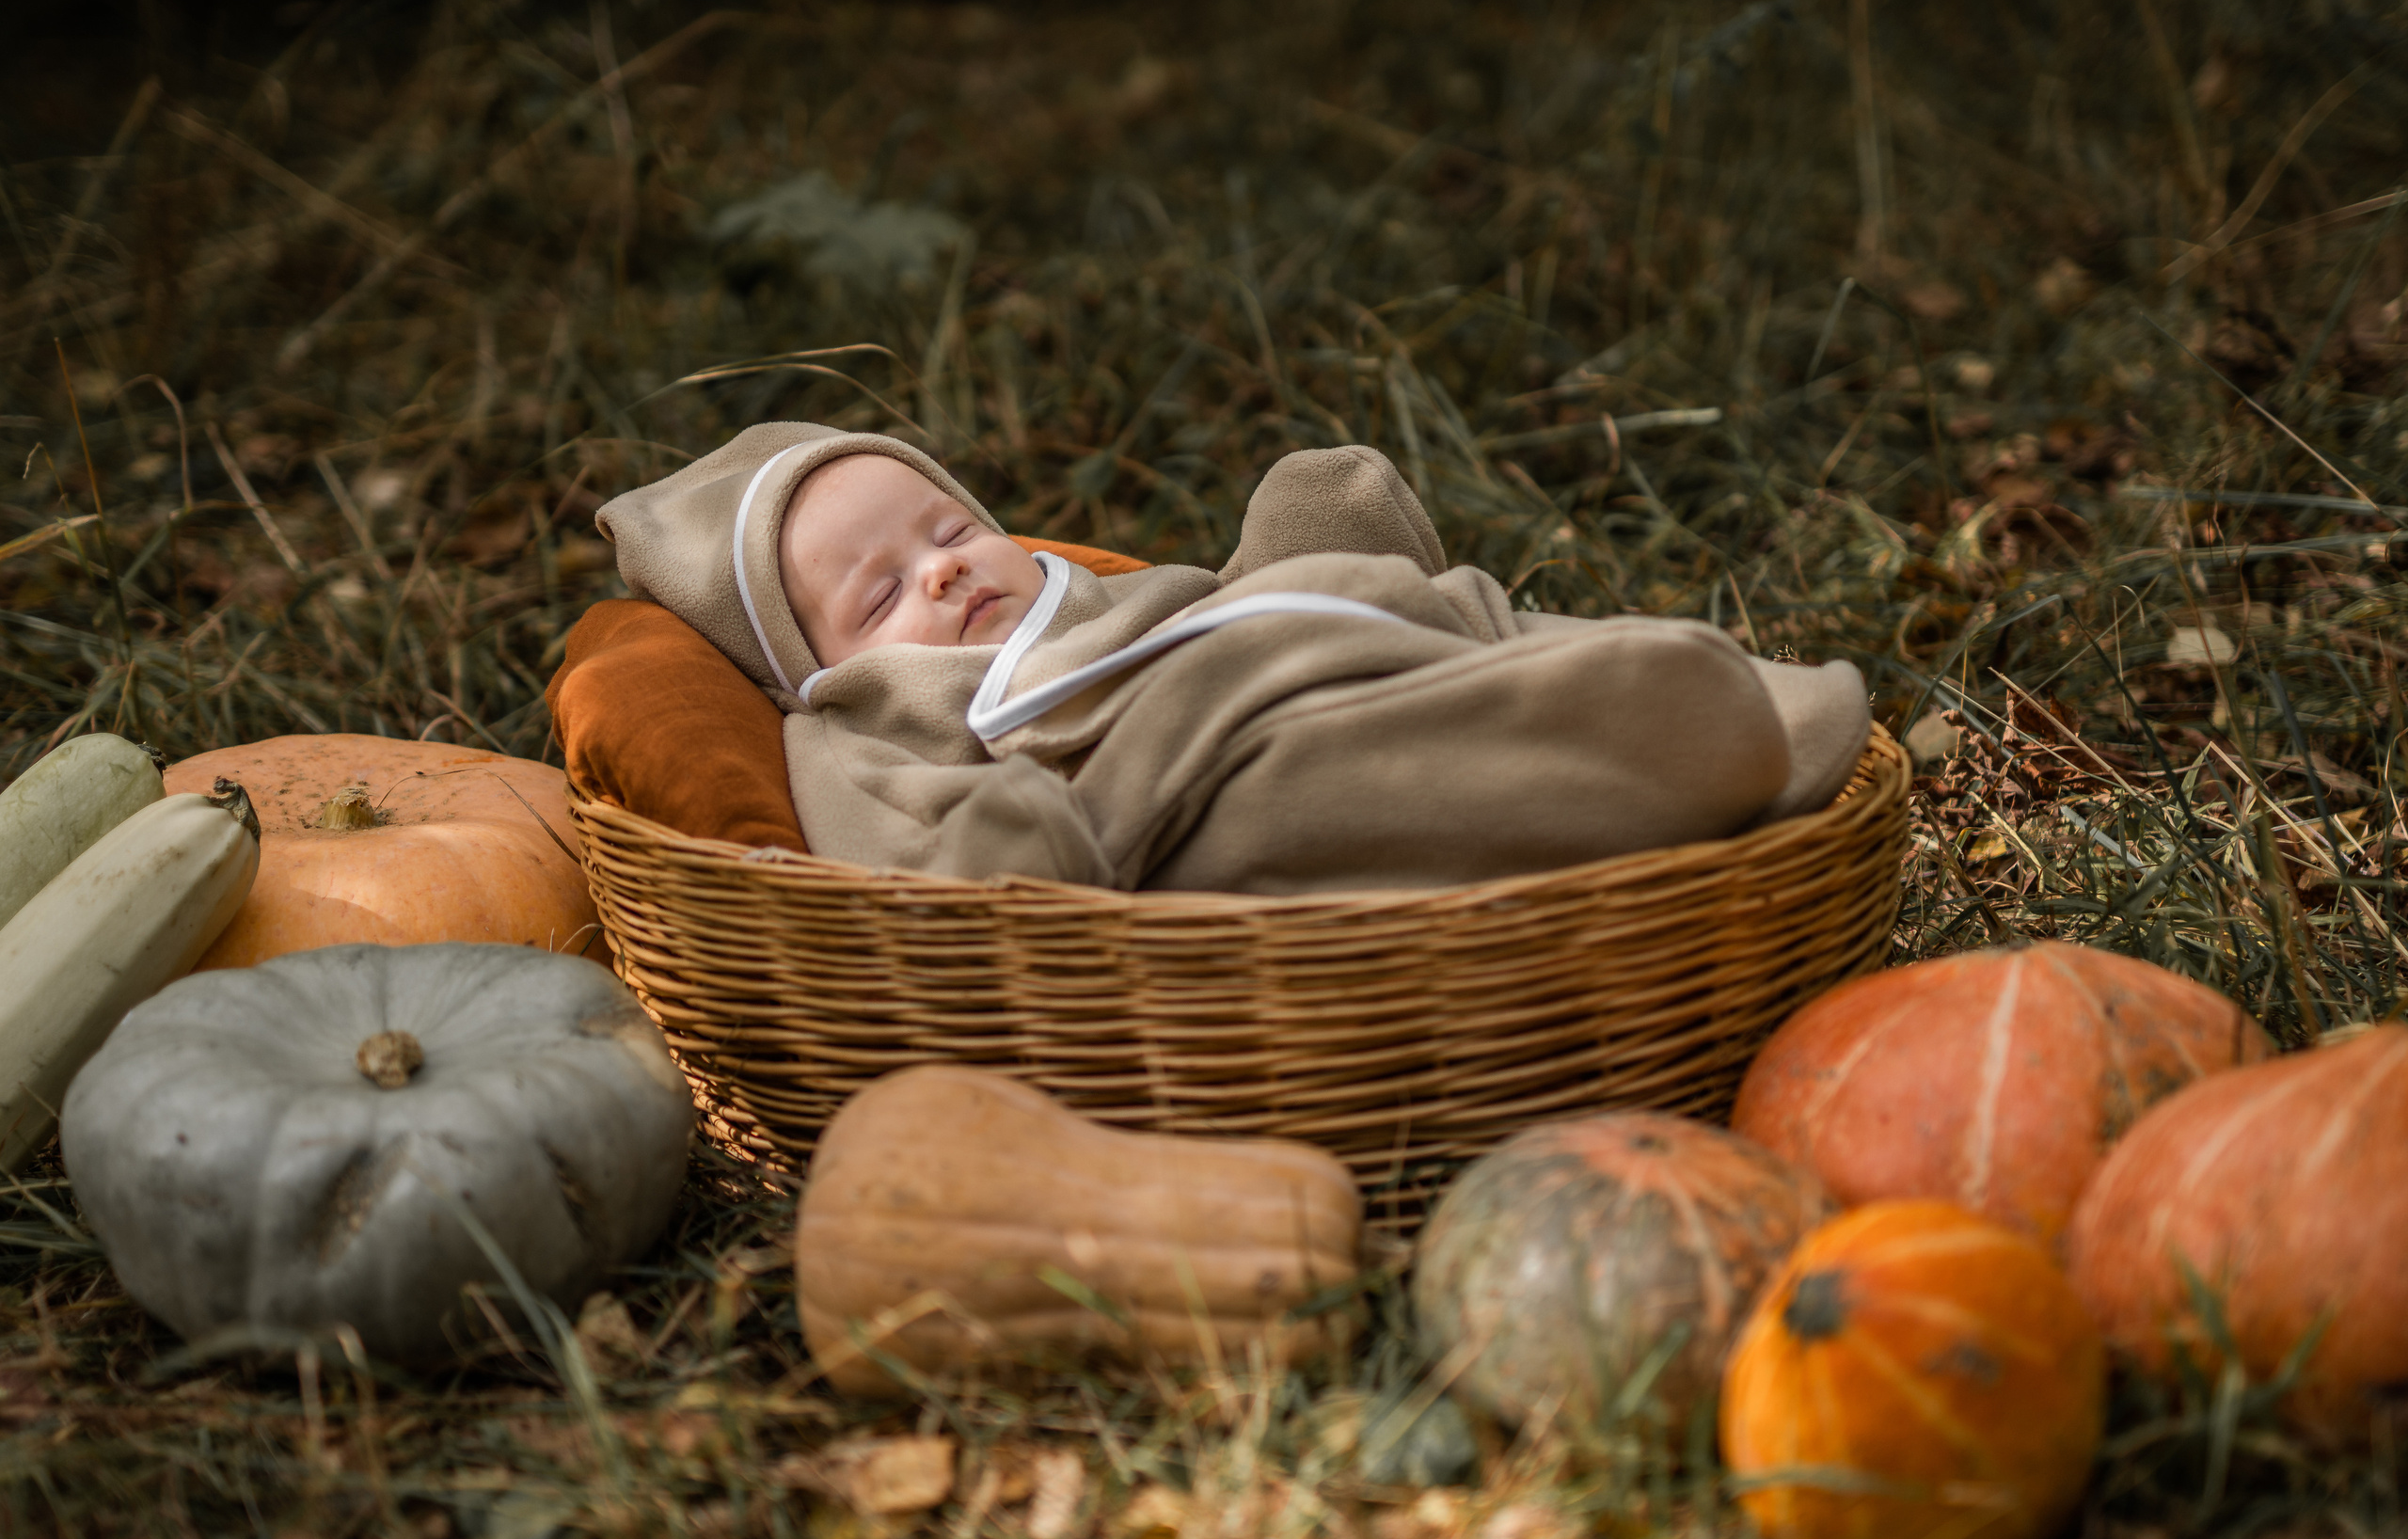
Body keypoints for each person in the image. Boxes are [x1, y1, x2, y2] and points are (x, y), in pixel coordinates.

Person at [594, 423, 1870, 894]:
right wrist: (1026, 832)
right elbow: (918, 849)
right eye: (882, 591)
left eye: (951, 527)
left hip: (1312, 647)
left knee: (1341, 566)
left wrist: (1296, 571)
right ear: (810, 671)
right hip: (1176, 799)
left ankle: (1614, 689)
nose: (946, 568)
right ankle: (1636, 742)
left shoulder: (1079, 592)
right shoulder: (854, 729)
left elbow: (1206, 606)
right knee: (1351, 778)